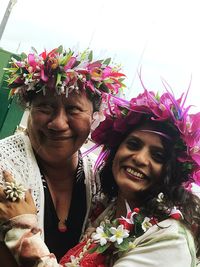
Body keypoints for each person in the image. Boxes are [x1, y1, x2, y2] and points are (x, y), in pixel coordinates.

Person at [0, 88, 200, 267]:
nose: (139, 158)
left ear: (173, 171)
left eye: (158, 156)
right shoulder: (108, 210)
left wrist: (22, 232)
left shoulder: (168, 239)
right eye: (133, 144)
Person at [0, 46, 126, 263]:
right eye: (44, 107)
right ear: (29, 109)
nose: (58, 123)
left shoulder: (100, 181)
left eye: (73, 110)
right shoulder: (5, 165)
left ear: (95, 117)